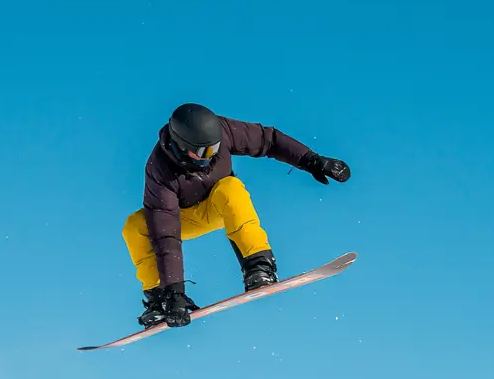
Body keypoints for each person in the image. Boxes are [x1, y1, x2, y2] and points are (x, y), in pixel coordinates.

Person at [122, 103, 351, 329]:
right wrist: (174, 293)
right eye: (202, 152)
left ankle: (258, 266)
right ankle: (160, 298)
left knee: (230, 187)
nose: (209, 157)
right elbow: (166, 236)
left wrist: (313, 161)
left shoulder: (225, 130)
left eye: (214, 149)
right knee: (135, 226)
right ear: (180, 147)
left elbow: (268, 139)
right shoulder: (160, 170)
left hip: (221, 205)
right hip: (183, 218)